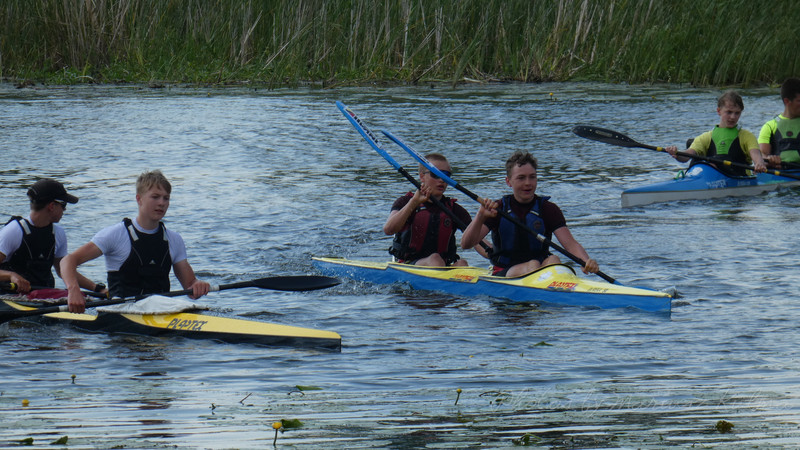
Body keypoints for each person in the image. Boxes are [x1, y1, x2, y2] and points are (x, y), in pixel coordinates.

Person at [61, 170, 210, 313]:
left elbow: (190, 287)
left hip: (161, 310)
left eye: (166, 198)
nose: (162, 203)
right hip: (121, 312)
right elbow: (67, 261)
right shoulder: (116, 234)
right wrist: (73, 290)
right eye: (155, 197)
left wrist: (198, 285)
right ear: (139, 199)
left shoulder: (174, 239)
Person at [460, 151, 599, 278]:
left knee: (554, 260)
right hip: (505, 271)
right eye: (521, 178)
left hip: (539, 269)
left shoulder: (548, 209)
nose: (528, 183)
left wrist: (585, 261)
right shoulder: (497, 209)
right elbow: (466, 244)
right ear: (509, 182)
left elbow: (571, 245)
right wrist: (480, 216)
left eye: (532, 177)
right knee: (533, 265)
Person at [0, 178, 100, 294]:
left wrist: (97, 289)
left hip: (42, 297)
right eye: (63, 205)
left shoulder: (58, 233)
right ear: (52, 206)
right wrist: (11, 275)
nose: (65, 210)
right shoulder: (14, 231)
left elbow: (64, 271)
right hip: (10, 298)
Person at [383, 153, 483, 266]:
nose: (442, 180)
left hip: (441, 265)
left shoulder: (454, 210)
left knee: (462, 264)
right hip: (409, 264)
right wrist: (414, 202)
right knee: (435, 259)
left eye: (446, 175)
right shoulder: (405, 202)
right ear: (422, 177)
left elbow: (478, 243)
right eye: (435, 174)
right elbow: (389, 229)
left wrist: (499, 257)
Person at [664, 90, 767, 176]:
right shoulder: (706, 137)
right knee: (702, 164)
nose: (733, 117)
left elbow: (756, 155)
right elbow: (686, 157)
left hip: (738, 181)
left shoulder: (746, 136)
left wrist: (759, 163)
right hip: (711, 180)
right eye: (729, 112)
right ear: (719, 111)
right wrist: (677, 154)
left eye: (737, 113)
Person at [758, 77, 800, 167]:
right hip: (779, 174)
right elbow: (761, 155)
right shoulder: (769, 126)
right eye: (799, 101)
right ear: (787, 101)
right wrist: (769, 160)